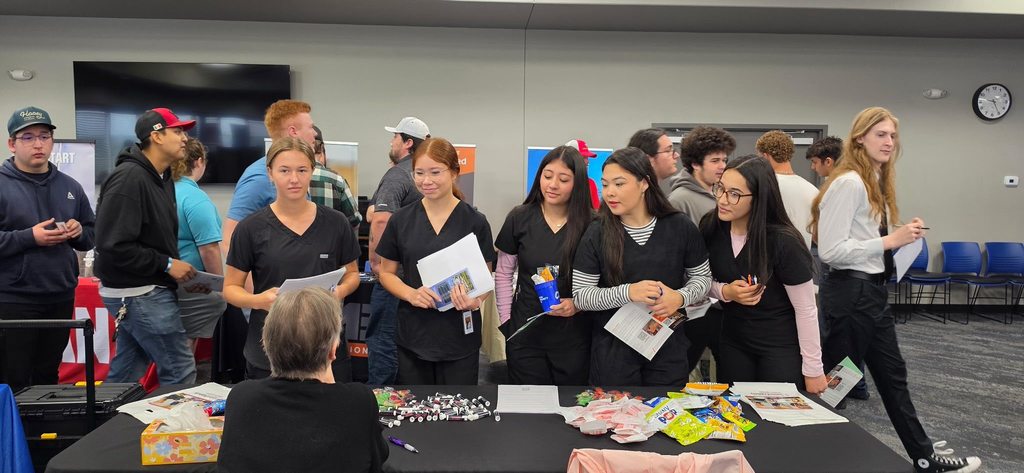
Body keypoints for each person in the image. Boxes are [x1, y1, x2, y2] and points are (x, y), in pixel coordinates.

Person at [811, 107, 980, 473]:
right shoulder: (850, 183)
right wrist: (890, 240)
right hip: (850, 294)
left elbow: (863, 241)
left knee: (891, 376)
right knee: (837, 384)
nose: (889, 142)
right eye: (881, 135)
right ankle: (814, 454)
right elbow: (831, 251)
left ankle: (923, 458)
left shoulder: (873, 181)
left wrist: (899, 239)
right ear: (859, 138)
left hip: (870, 295)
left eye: (892, 136)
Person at [224, 138, 361, 381]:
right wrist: (258, 300)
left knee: (331, 416)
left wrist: (339, 293)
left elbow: (352, 274)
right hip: (269, 349)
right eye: (284, 170)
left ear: (313, 171)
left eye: (302, 170)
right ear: (270, 173)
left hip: (326, 345)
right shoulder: (250, 228)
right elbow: (231, 289)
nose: (294, 179)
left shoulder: (336, 223)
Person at [572, 147, 711, 386]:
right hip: (614, 352)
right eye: (605, 185)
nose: (610, 193)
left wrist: (679, 297)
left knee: (664, 416)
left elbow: (702, 279)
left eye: (619, 184)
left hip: (667, 346)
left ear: (644, 183)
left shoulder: (680, 226)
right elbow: (581, 296)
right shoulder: (597, 231)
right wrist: (628, 292)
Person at [218, 287, 388, 473]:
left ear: (266, 344)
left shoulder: (242, 397)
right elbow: (377, 457)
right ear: (333, 350)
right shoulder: (359, 401)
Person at [700, 155, 826, 393]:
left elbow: (806, 309)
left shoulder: (783, 241)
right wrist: (725, 292)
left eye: (735, 194)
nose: (723, 200)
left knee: (776, 418)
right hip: (733, 338)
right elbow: (698, 282)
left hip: (779, 344)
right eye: (720, 189)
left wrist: (814, 370)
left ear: (758, 197)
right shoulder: (711, 227)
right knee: (736, 414)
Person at [376, 137, 495, 385]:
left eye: (435, 172)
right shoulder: (401, 220)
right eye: (419, 173)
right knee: (416, 410)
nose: (426, 181)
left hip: (459, 334)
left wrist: (475, 301)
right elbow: (385, 272)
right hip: (413, 332)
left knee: (459, 411)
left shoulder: (475, 221)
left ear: (454, 173)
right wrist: (410, 294)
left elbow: (486, 276)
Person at [94, 108, 198, 385]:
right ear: (157, 136)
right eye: (177, 131)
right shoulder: (130, 178)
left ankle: (104, 426)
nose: (185, 138)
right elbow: (112, 245)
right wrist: (165, 264)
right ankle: (177, 429)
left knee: (127, 373)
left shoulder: (160, 179)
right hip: (140, 293)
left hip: (143, 291)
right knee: (180, 370)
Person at [0, 106, 95, 392]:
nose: (38, 144)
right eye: (28, 137)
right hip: (13, 300)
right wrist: (29, 237)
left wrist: (80, 233)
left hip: (60, 296)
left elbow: (91, 235)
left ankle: (46, 435)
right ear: (12, 144)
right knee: (13, 377)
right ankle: (13, 437)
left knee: (48, 374)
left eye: (44, 136)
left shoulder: (70, 186)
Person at [495, 146, 594, 385]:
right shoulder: (519, 217)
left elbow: (602, 281)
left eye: (563, 179)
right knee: (528, 411)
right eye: (547, 176)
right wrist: (507, 321)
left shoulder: (593, 223)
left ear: (577, 183)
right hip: (525, 334)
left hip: (575, 337)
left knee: (570, 409)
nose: (552, 185)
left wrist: (578, 305)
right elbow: (503, 274)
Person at [667, 125, 735, 381]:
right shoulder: (680, 199)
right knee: (680, 369)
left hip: (717, 301)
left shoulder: (717, 194)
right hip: (694, 304)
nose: (722, 166)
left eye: (724, 160)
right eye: (715, 160)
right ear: (696, 163)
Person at [365, 116, 430, 385]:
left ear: (407, 143)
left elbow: (381, 218)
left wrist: (377, 265)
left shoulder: (397, 173)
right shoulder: (419, 177)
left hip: (396, 278)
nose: (391, 142)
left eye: (395, 137)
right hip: (418, 278)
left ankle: (380, 402)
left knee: (382, 339)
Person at [805, 135, 871, 400]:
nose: (813, 168)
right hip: (856, 273)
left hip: (842, 272)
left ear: (828, 161)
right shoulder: (860, 182)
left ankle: (840, 393)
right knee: (848, 333)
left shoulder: (841, 186)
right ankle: (856, 386)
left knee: (836, 334)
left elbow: (830, 235)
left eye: (815, 162)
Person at [223, 100, 319, 254]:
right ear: (293, 132)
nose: (314, 133)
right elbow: (230, 240)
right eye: (310, 127)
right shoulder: (259, 178)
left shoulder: (298, 174)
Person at [170, 138, 226, 348]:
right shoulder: (195, 198)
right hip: (190, 284)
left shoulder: (161, 191)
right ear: (199, 161)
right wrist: (219, 287)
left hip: (163, 279)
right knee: (184, 350)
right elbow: (209, 249)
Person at [756, 130, 818, 250]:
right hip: (801, 260)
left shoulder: (762, 186)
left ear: (765, 156)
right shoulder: (813, 190)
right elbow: (816, 235)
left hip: (767, 259)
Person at [311, 125, 362, 229]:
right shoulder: (336, 180)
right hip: (330, 243)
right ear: (322, 149)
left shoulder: (285, 178)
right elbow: (355, 221)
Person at [564, 139, 601, 209]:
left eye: (587, 157)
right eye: (583, 157)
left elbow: (596, 211)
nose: (587, 160)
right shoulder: (556, 184)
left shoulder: (590, 183)